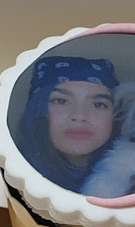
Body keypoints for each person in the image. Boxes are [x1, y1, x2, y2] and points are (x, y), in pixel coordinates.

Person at [14, 56, 120, 193]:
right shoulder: (16, 171)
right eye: (61, 101)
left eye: (98, 104)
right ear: (38, 109)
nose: (80, 116)